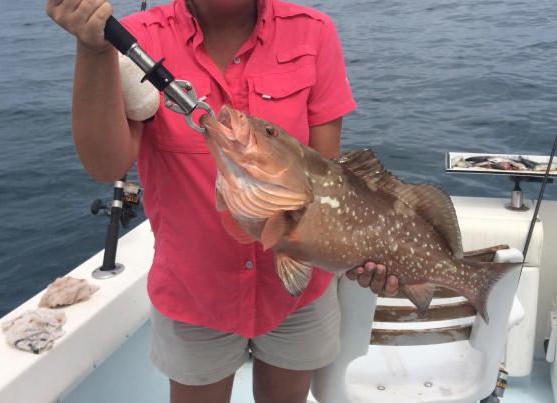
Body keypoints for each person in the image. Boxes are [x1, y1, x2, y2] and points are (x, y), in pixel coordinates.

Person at [45, 0, 399, 402]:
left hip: (298, 296)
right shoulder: (134, 38)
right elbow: (105, 165)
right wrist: (93, 50)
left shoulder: (313, 31)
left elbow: (328, 177)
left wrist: (363, 250)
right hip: (194, 293)